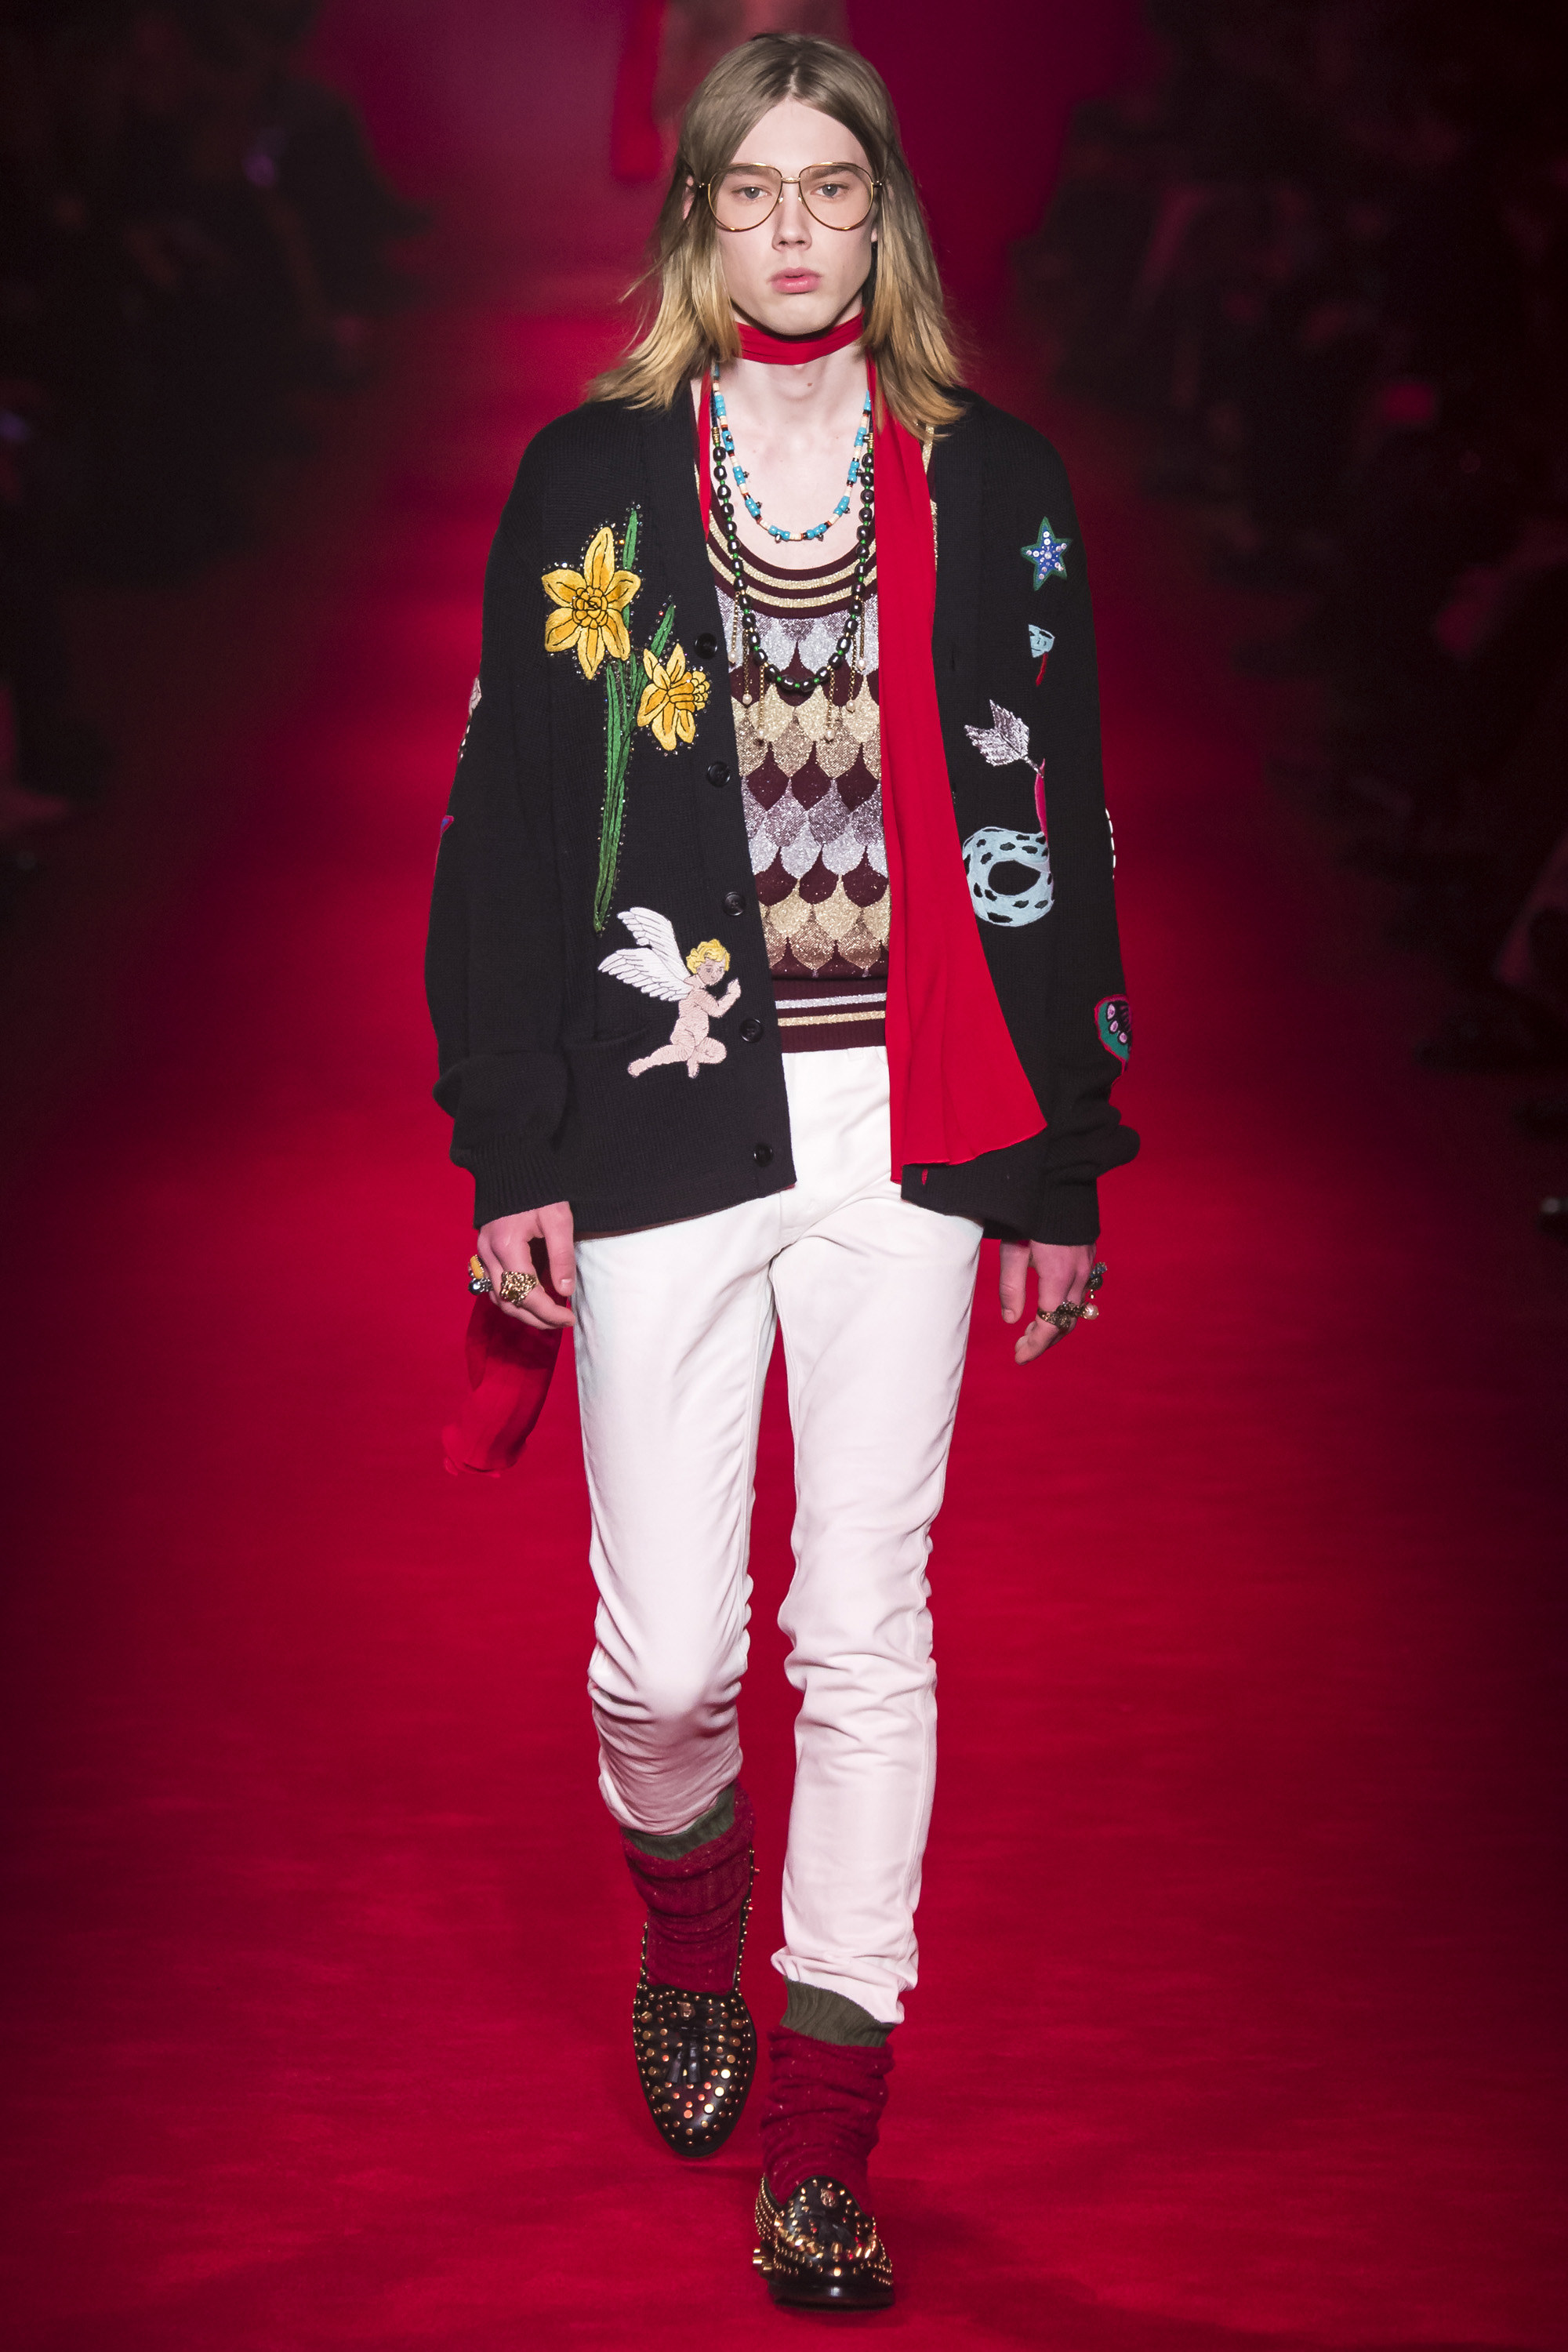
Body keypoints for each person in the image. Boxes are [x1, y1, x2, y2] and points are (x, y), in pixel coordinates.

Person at [426, 32, 1137, 2310]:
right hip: (661, 1106)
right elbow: (504, 824)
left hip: (912, 1123)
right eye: (754, 191)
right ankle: (687, 1916)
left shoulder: (997, 485)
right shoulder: (595, 478)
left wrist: (1059, 1160)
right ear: (698, 218)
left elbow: (1054, 821)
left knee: (866, 1628)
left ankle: (823, 2145)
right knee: (661, 1667)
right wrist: (511, 1139)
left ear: (885, 213)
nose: (797, 229)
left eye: (835, 188)